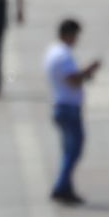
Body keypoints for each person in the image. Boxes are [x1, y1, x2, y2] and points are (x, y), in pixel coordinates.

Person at [44, 18, 101, 205]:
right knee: (73, 151)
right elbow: (72, 79)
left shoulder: (53, 51)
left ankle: (66, 187)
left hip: (61, 105)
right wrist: (88, 71)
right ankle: (61, 186)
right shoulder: (62, 54)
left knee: (69, 150)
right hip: (68, 107)